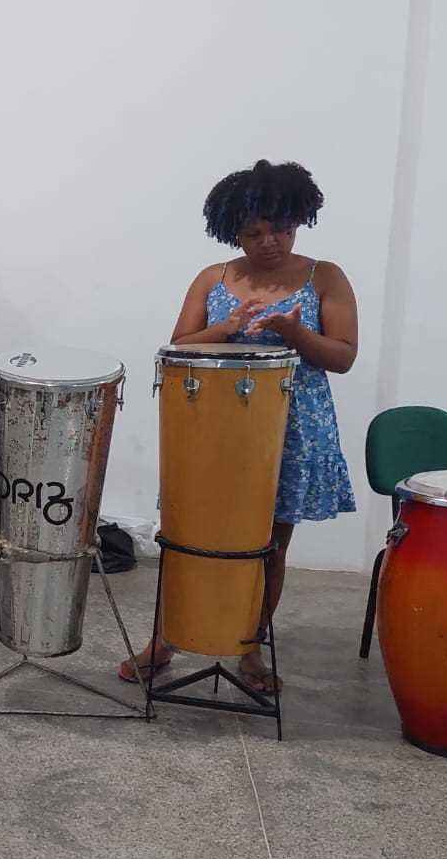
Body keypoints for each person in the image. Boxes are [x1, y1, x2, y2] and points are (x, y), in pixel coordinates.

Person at [120, 160, 357, 692]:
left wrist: (296, 334)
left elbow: (342, 356)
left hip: (291, 429)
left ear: (300, 221)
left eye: (282, 228)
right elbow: (178, 344)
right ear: (233, 231)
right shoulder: (214, 278)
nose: (270, 241)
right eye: (254, 232)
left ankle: (250, 648)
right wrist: (226, 326)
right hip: (215, 430)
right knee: (189, 536)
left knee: (269, 543)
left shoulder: (326, 276)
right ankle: (166, 638)